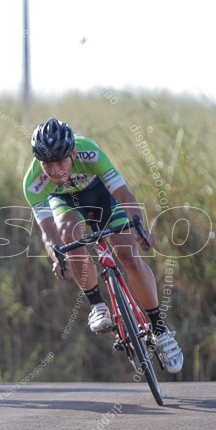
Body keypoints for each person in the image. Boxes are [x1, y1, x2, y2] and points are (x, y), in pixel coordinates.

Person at [22, 118, 184, 373]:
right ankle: (97, 304)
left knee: (128, 255)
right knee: (68, 236)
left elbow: (124, 195)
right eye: (47, 164)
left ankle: (160, 331)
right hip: (65, 203)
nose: (54, 171)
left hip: (102, 195)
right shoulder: (33, 183)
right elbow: (48, 231)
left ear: (73, 153)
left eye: (60, 162)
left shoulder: (90, 151)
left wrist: (139, 227)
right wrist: (57, 257)